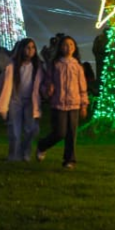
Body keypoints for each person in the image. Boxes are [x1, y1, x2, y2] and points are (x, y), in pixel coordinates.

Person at [37, 36, 88, 169]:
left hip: (74, 103)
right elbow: (47, 82)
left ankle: (69, 160)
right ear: (60, 47)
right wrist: (48, 90)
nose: (68, 48)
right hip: (58, 103)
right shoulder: (55, 65)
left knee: (72, 133)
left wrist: (84, 104)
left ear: (75, 47)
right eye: (65, 45)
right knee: (60, 132)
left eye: (71, 45)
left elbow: (82, 86)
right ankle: (43, 145)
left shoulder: (77, 66)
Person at [0, 38, 44, 162]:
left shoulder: (37, 67)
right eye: (28, 47)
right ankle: (14, 156)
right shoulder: (12, 66)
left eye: (33, 48)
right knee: (14, 131)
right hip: (15, 100)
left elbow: (41, 84)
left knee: (31, 129)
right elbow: (2, 84)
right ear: (22, 49)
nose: (30, 50)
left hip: (30, 101)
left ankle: (25, 152)